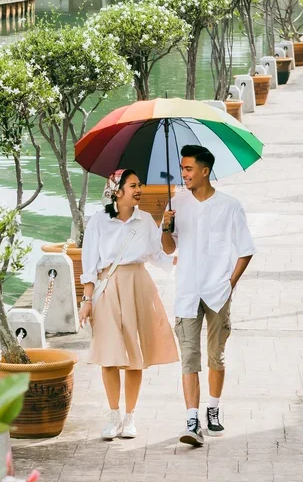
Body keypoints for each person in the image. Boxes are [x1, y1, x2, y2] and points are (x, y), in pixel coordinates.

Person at [161, 144, 255, 447]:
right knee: (189, 356)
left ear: (205, 171)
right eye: (182, 168)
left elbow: (246, 249)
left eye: (188, 168)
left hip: (217, 291)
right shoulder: (176, 204)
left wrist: (230, 283)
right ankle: (192, 420)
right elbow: (168, 249)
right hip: (187, 290)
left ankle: (212, 409)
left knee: (216, 355)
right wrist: (165, 228)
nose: (184, 174)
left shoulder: (230, 206)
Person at [79, 169, 179, 441]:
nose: (139, 190)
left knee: (135, 355)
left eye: (140, 185)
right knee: (109, 354)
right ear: (117, 190)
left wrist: (167, 229)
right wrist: (87, 300)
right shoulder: (98, 221)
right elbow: (89, 265)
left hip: (137, 286)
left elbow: (158, 255)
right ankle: (113, 416)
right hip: (108, 288)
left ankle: (130, 416)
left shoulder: (144, 220)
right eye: (133, 185)